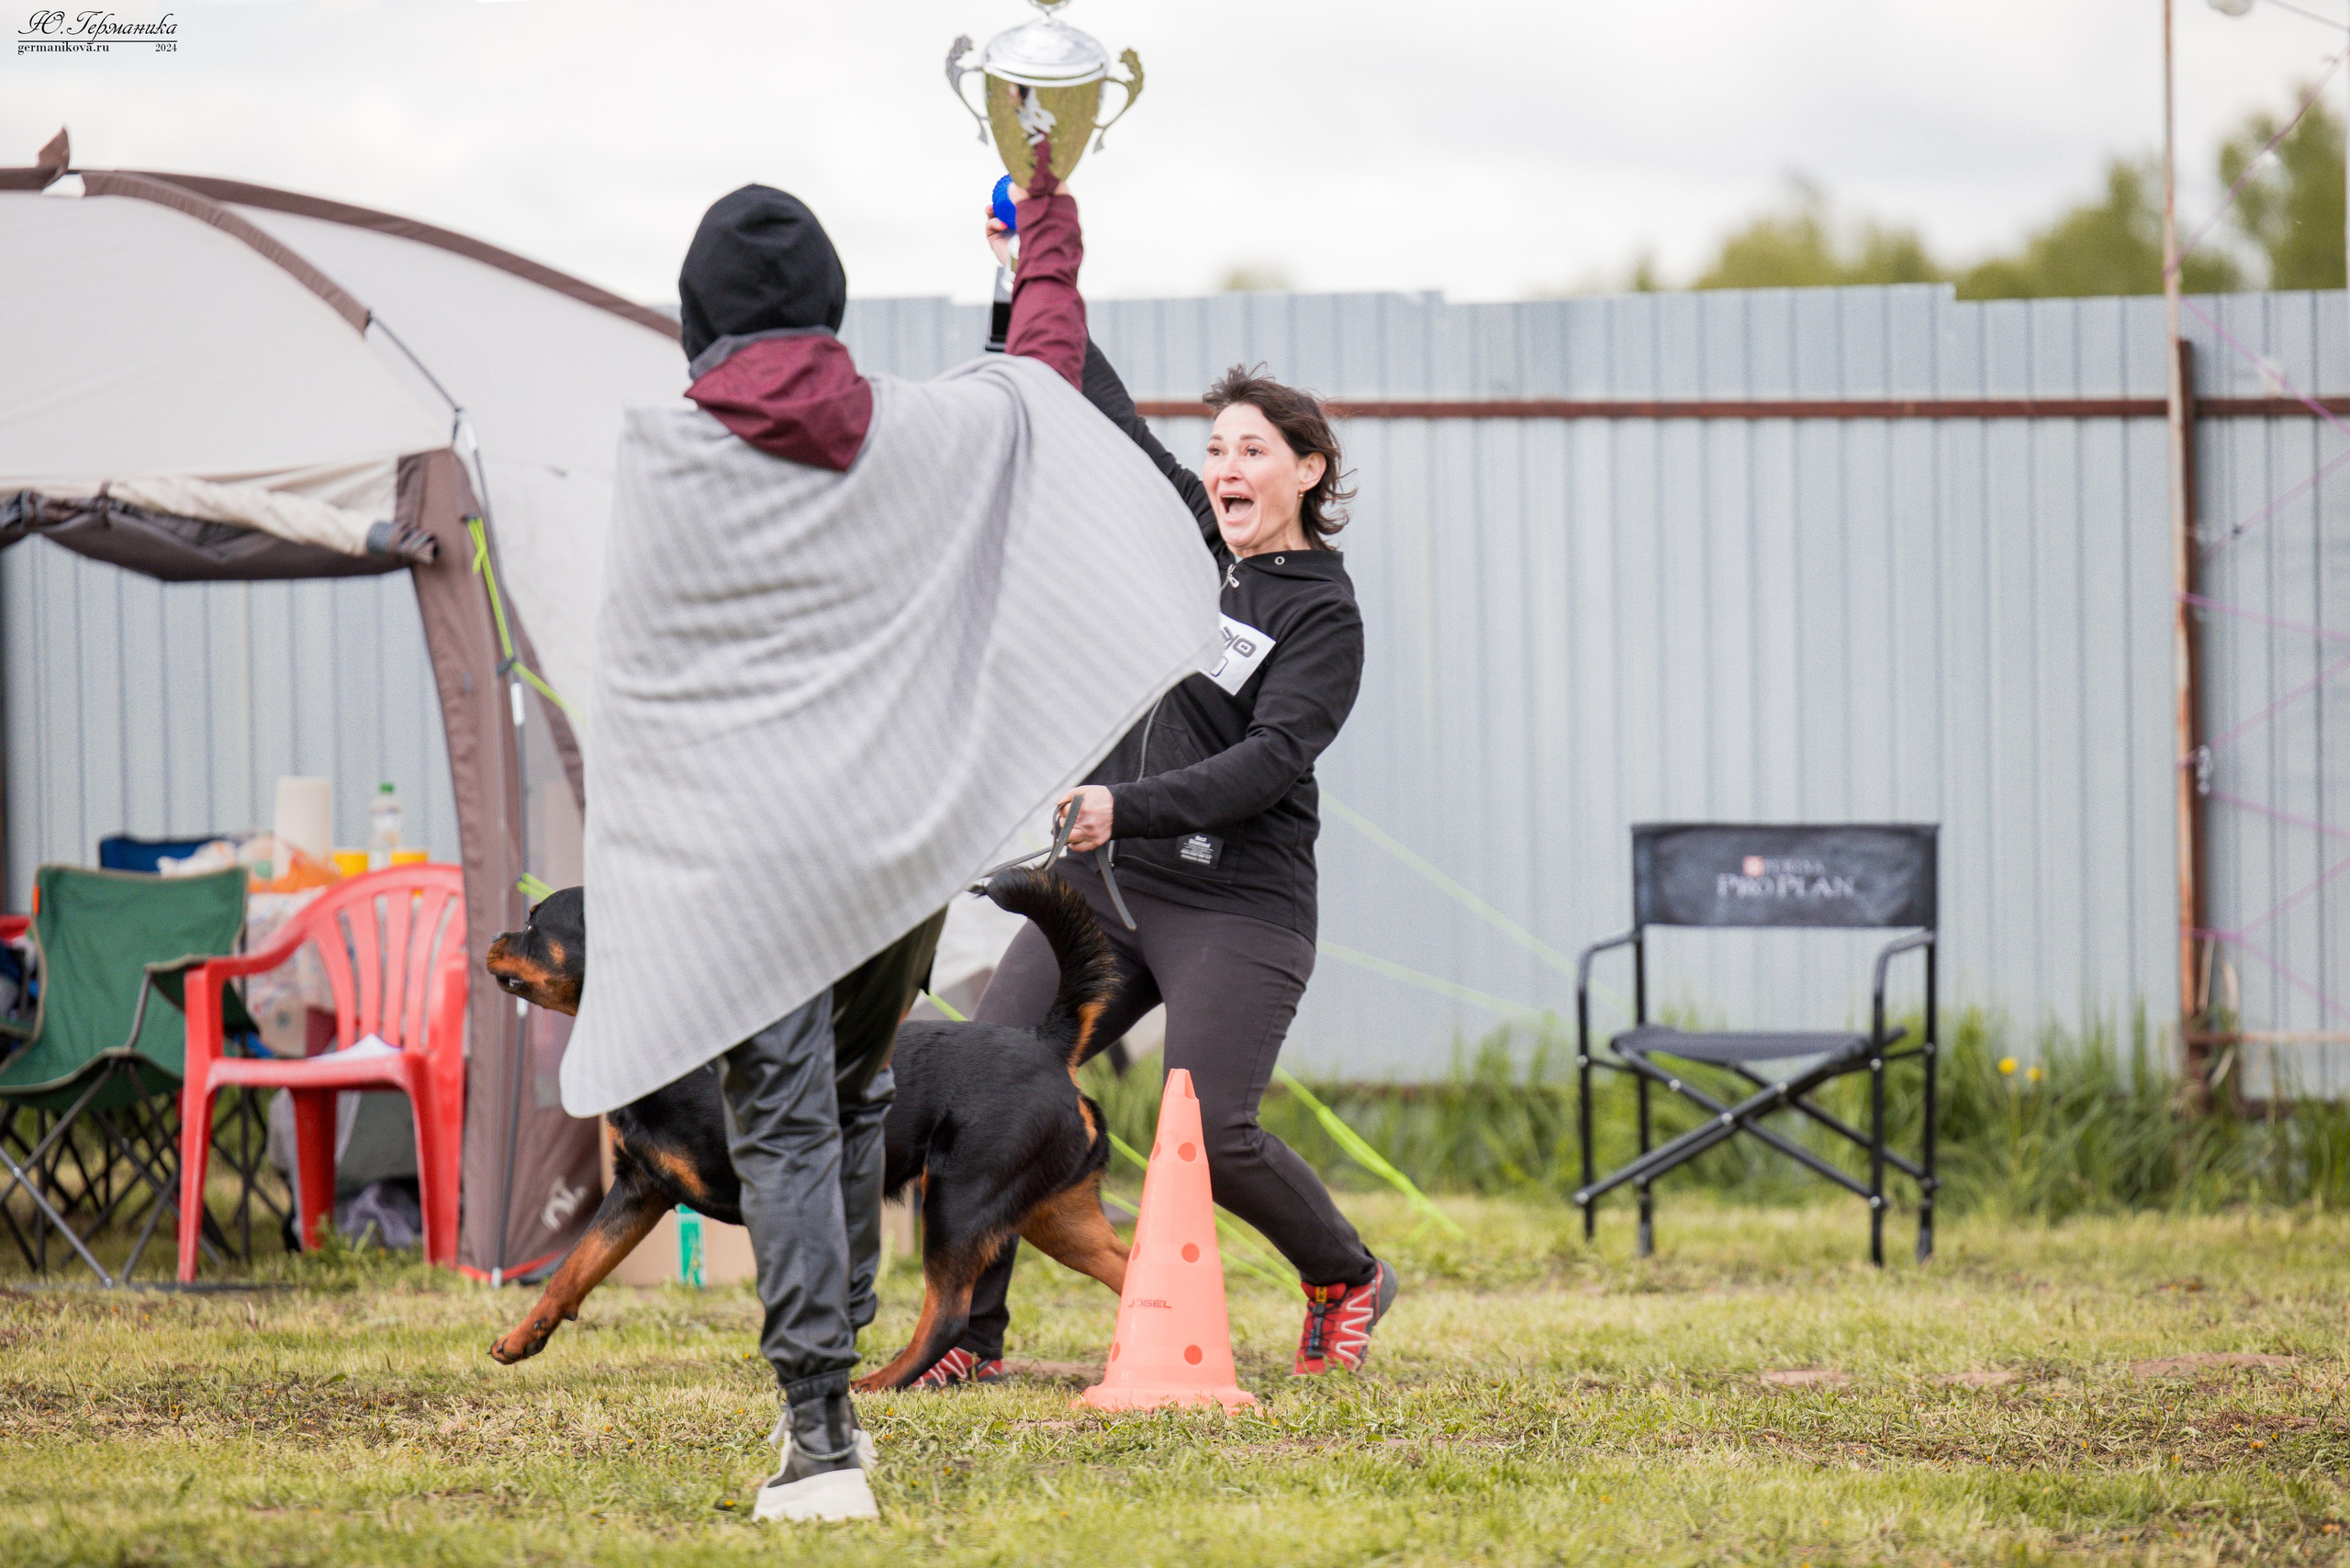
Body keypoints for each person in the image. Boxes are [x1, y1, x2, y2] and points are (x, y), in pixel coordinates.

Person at [564, 148, 1219, 1523]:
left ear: (695, 320)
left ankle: (821, 1436)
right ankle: (848, 1366)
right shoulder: (923, 429)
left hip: (755, 866)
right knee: (859, 1101)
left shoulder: (667, 454)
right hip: (892, 856)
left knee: (793, 1124)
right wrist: (1048, 229)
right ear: (834, 309)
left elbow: (641, 682)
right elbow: (1041, 373)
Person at [911, 224, 1395, 1388]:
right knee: (989, 1088)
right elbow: (1090, 394)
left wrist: (1120, 804)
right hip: (1112, 889)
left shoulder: (1322, 614)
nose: (1225, 466)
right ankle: (969, 1340)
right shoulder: (1186, 534)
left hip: (1240, 901)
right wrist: (1028, 262)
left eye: (1253, 450)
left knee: (1215, 1131)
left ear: (1307, 470)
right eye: (1215, 447)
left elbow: (1270, 762)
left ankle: (1344, 1275)